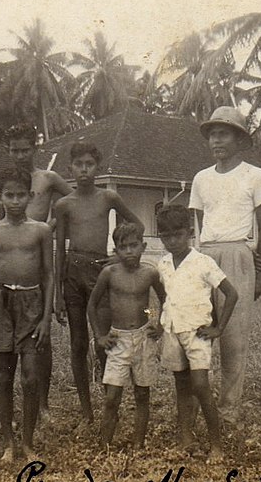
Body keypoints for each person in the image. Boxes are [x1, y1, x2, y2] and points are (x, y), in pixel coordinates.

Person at [189, 106, 261, 426]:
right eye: (211, 134)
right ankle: (196, 409)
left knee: (233, 339)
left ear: (239, 138)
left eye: (223, 133)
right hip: (206, 254)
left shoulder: (256, 176)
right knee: (197, 331)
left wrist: (260, 272)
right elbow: (199, 222)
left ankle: (228, 411)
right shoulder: (201, 178)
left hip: (239, 255)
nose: (215, 140)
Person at [54, 142, 144, 423]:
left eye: (89, 164)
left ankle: (110, 404)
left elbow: (137, 225)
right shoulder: (63, 204)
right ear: (70, 168)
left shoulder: (108, 198)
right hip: (72, 272)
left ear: (97, 167)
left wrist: (117, 258)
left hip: (99, 270)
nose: (83, 170)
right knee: (78, 342)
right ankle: (86, 411)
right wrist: (57, 292)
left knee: (104, 339)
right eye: (78, 164)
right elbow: (59, 249)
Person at [0, 167, 54, 462]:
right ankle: (9, 444)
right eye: (9, 195)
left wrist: (46, 317)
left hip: (32, 303)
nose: (15, 201)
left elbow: (48, 274)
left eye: (21, 195)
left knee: (31, 377)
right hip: (0, 305)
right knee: (2, 377)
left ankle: (28, 442)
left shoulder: (41, 231)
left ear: (31, 196)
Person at [156, 204, 238, 460]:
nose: (172, 241)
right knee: (181, 386)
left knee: (201, 386)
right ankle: (186, 438)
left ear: (190, 233)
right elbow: (163, 297)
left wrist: (218, 328)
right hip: (172, 331)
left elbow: (232, 294)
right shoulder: (163, 264)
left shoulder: (203, 262)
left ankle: (216, 444)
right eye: (166, 236)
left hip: (198, 333)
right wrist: (155, 320)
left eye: (178, 234)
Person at [5, 123, 73, 422]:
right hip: (10, 261)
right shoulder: (7, 181)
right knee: (8, 337)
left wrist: (52, 225)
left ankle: (43, 405)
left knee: (40, 338)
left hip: (40, 256)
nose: (20, 155)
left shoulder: (47, 178)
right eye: (14, 150)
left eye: (25, 149)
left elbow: (73, 200)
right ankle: (8, 406)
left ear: (35, 149)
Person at [87, 222, 165, 450]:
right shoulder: (109, 273)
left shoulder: (150, 273)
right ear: (116, 250)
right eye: (123, 247)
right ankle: (105, 444)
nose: (129, 251)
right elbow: (92, 305)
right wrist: (100, 336)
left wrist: (157, 323)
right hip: (118, 338)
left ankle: (138, 443)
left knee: (142, 393)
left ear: (144, 245)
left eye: (134, 245)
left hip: (143, 338)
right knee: (112, 396)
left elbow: (162, 300)